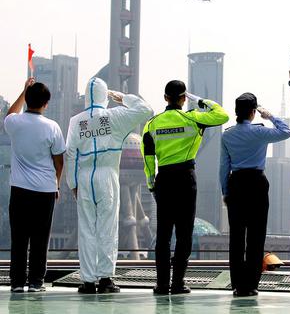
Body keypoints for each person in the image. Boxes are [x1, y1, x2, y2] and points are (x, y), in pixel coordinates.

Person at [65, 77, 153, 294]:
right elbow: (145, 109)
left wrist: (73, 184)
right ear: (106, 95)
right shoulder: (115, 117)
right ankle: (105, 279)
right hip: (108, 176)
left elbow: (70, 154)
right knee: (108, 228)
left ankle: (87, 281)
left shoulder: (76, 121)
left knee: (86, 230)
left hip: (84, 178)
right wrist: (123, 98)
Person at [141, 80, 229, 295]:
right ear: (183, 98)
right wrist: (197, 99)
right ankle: (178, 283)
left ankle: (162, 284)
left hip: (164, 179)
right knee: (184, 234)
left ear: (164, 98)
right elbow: (222, 115)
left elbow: (148, 158)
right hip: (185, 179)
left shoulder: (152, 124)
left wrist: (152, 184)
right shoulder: (193, 118)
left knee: (163, 235)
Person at [220, 93, 290, 297]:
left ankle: (237, 285)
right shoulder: (260, 132)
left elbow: (223, 166)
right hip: (257, 183)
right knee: (256, 236)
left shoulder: (227, 135)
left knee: (236, 237)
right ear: (253, 112)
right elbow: (286, 132)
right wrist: (269, 116)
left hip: (235, 184)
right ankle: (251, 285)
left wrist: (226, 191)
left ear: (236, 112)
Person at [4, 78, 65, 292]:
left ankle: (17, 283)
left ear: (27, 99)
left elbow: (10, 113)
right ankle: (36, 282)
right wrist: (56, 184)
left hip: (19, 190)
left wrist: (23, 92)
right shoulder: (53, 127)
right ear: (46, 103)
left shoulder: (15, 123)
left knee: (19, 238)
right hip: (45, 191)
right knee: (40, 239)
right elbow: (59, 160)